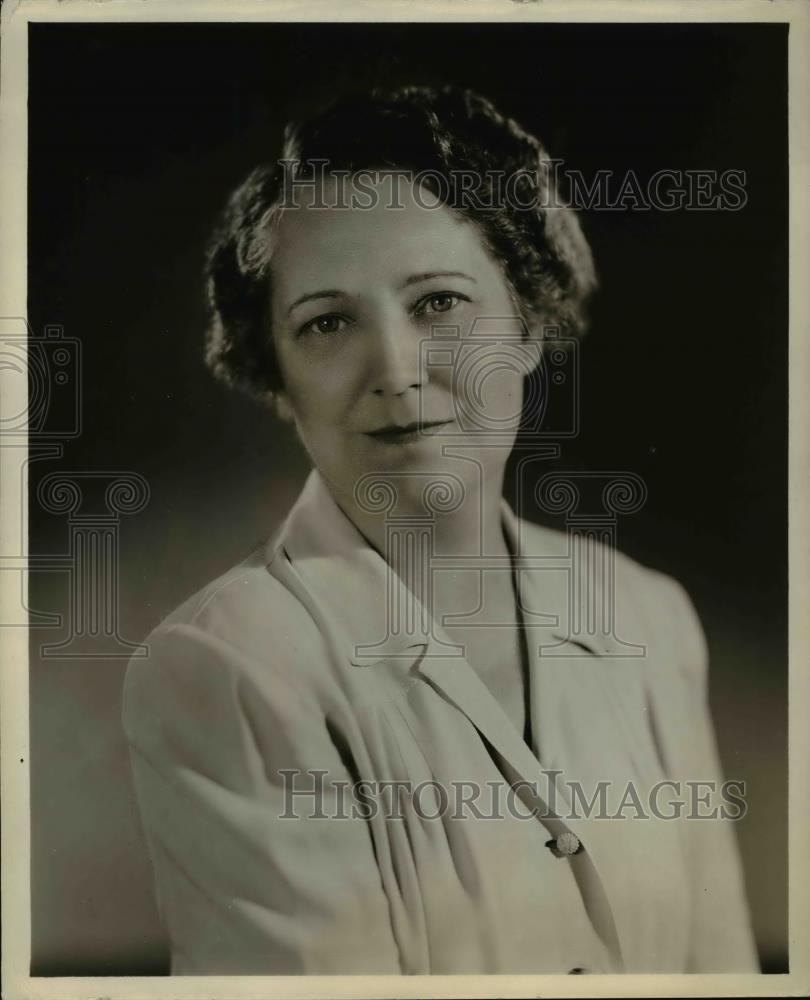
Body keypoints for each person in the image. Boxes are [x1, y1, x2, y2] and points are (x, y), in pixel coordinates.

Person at [122, 85, 758, 975]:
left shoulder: (649, 620)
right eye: (328, 322)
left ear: (530, 325)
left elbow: (720, 977)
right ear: (275, 379)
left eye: (438, 304)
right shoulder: (230, 668)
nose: (396, 370)